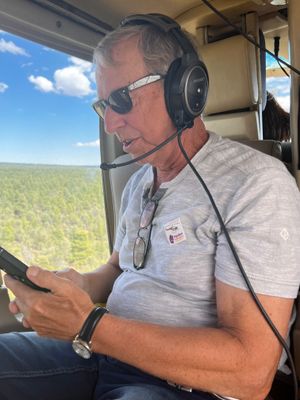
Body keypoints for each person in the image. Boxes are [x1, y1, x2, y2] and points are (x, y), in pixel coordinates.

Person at [1, 14, 300, 400]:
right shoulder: (141, 182)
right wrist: (81, 285)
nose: (109, 124)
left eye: (121, 100)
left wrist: (89, 324)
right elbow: (118, 266)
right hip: (102, 352)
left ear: (183, 90)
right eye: (103, 105)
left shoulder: (257, 184)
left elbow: (251, 371)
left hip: (186, 385)